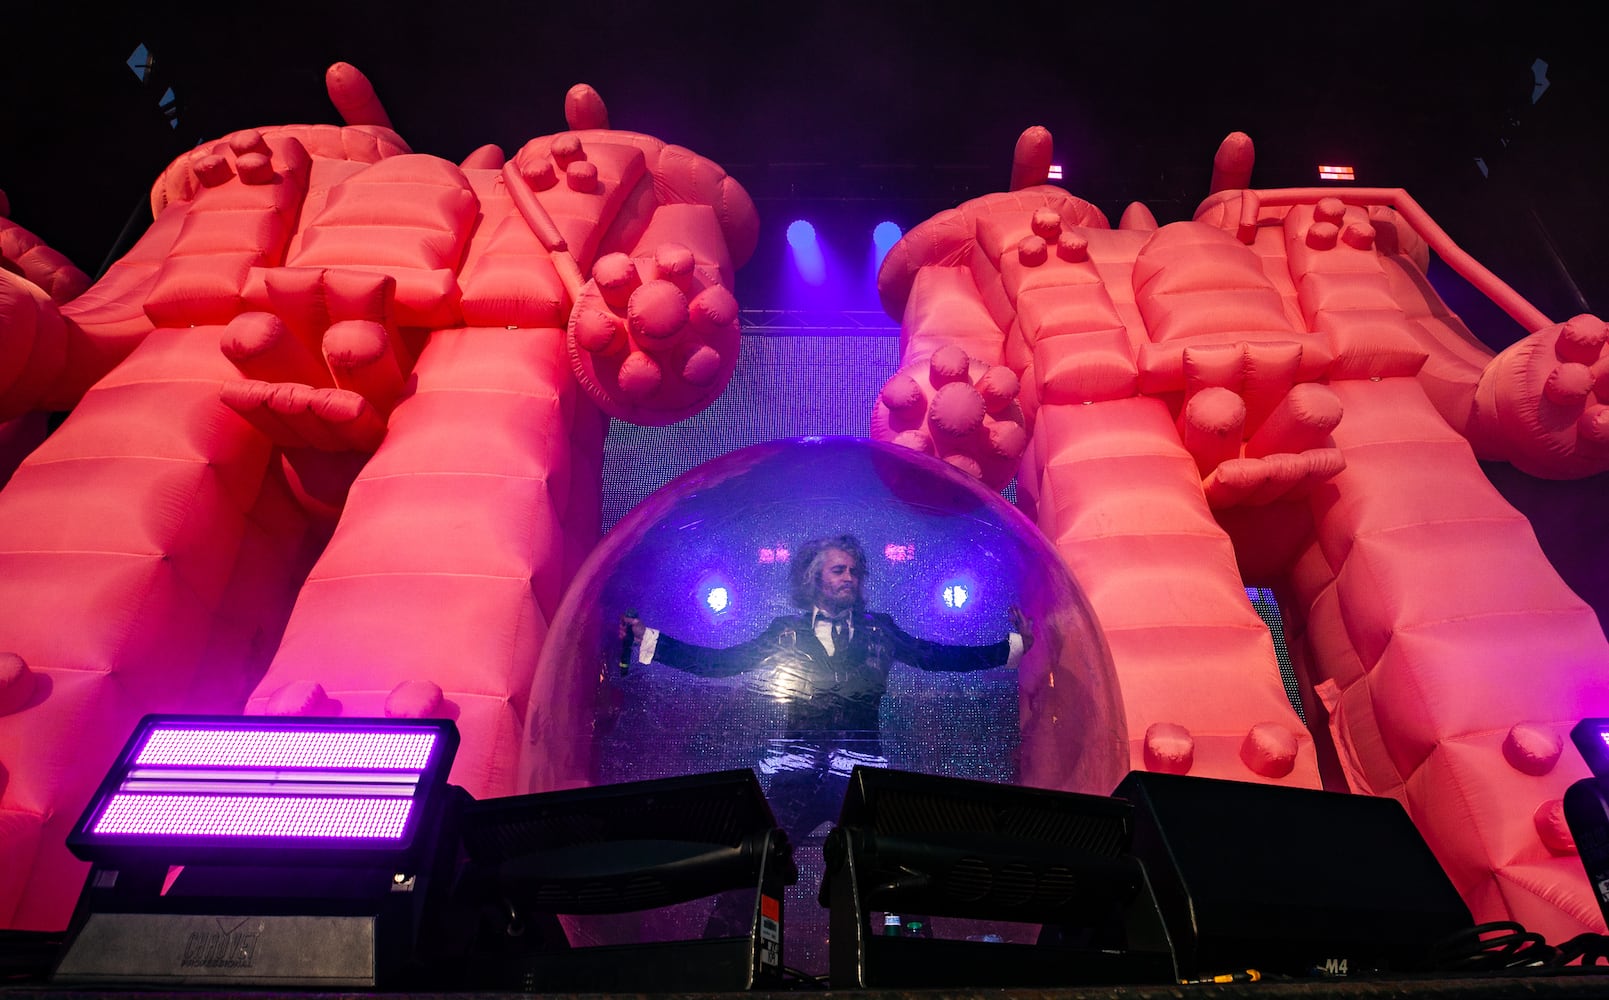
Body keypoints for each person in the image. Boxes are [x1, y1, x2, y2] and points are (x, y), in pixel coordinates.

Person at [620, 533, 1032, 846]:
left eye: (854, 571)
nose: (849, 578)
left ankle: (901, 955)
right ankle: (727, 953)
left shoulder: (879, 629)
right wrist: (650, 641)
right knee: (757, 864)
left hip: (860, 775)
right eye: (839, 570)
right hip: (797, 774)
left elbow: (937, 656)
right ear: (814, 578)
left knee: (890, 867)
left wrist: (1010, 647)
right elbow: (722, 664)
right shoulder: (785, 632)